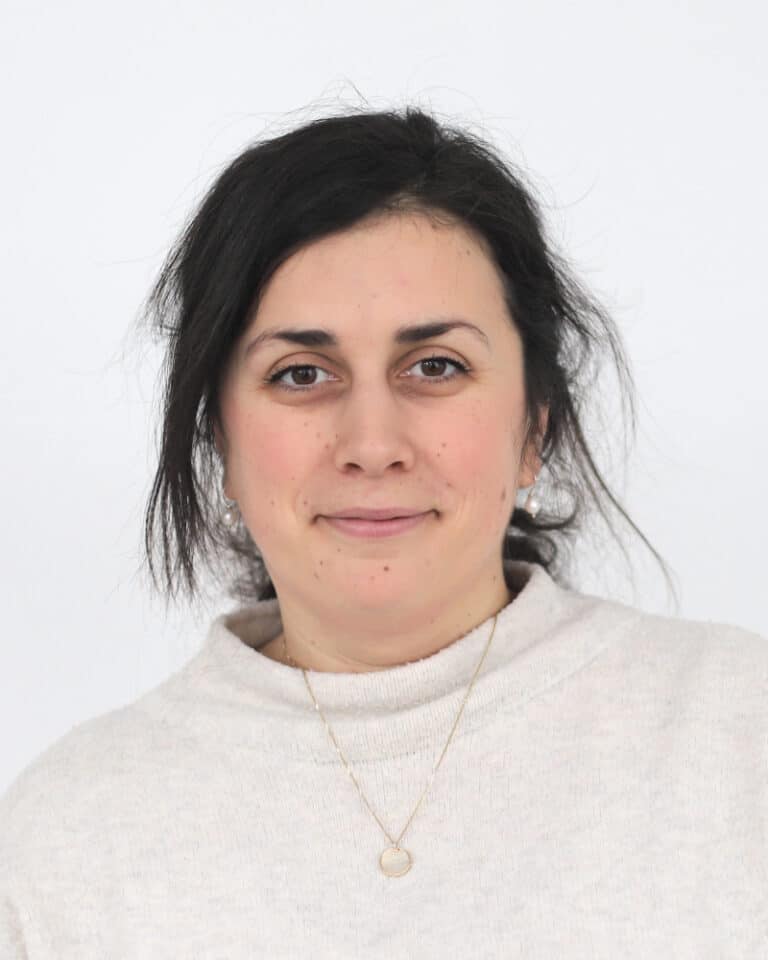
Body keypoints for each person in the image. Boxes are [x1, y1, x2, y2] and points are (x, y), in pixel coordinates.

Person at [1, 105, 765, 958]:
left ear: (534, 427)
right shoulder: (63, 837)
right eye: (301, 374)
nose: (372, 444)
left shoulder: (741, 731)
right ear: (219, 440)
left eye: (436, 366)